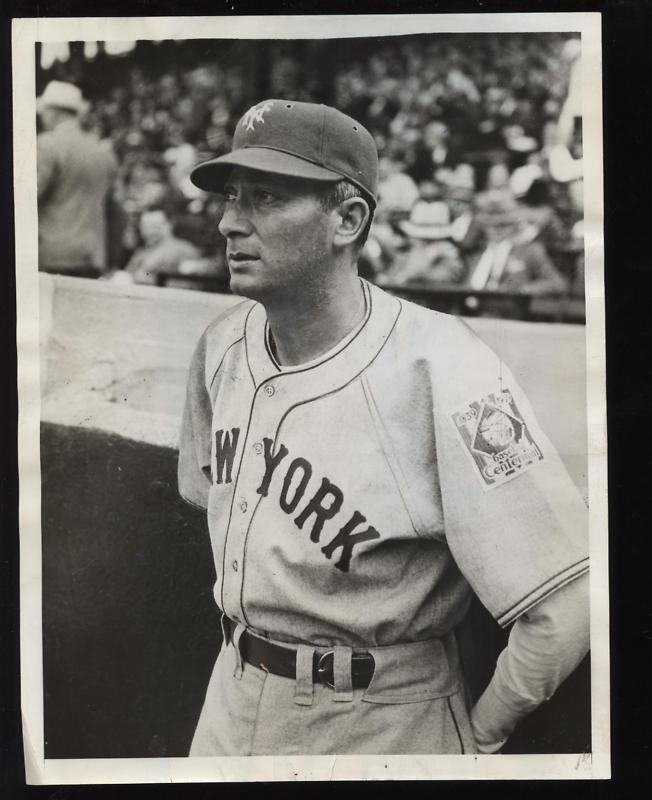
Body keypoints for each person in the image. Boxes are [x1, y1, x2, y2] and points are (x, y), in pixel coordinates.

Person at [178, 99, 589, 756]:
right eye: (231, 197)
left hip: (381, 720)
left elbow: (564, 609)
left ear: (348, 219)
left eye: (264, 198)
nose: (229, 222)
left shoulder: (450, 366)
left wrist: (473, 744)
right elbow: (207, 497)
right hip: (230, 698)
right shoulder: (221, 346)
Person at [37, 81, 118, 277]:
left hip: (52, 255)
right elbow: (114, 209)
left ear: (53, 113)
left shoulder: (47, 145)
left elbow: (27, 198)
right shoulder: (102, 151)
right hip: (92, 255)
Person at [123, 207, 201, 286]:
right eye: (145, 226)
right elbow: (126, 277)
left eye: (155, 226)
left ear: (170, 225)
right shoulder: (141, 252)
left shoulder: (186, 250)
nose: (150, 231)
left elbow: (190, 285)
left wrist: (149, 281)